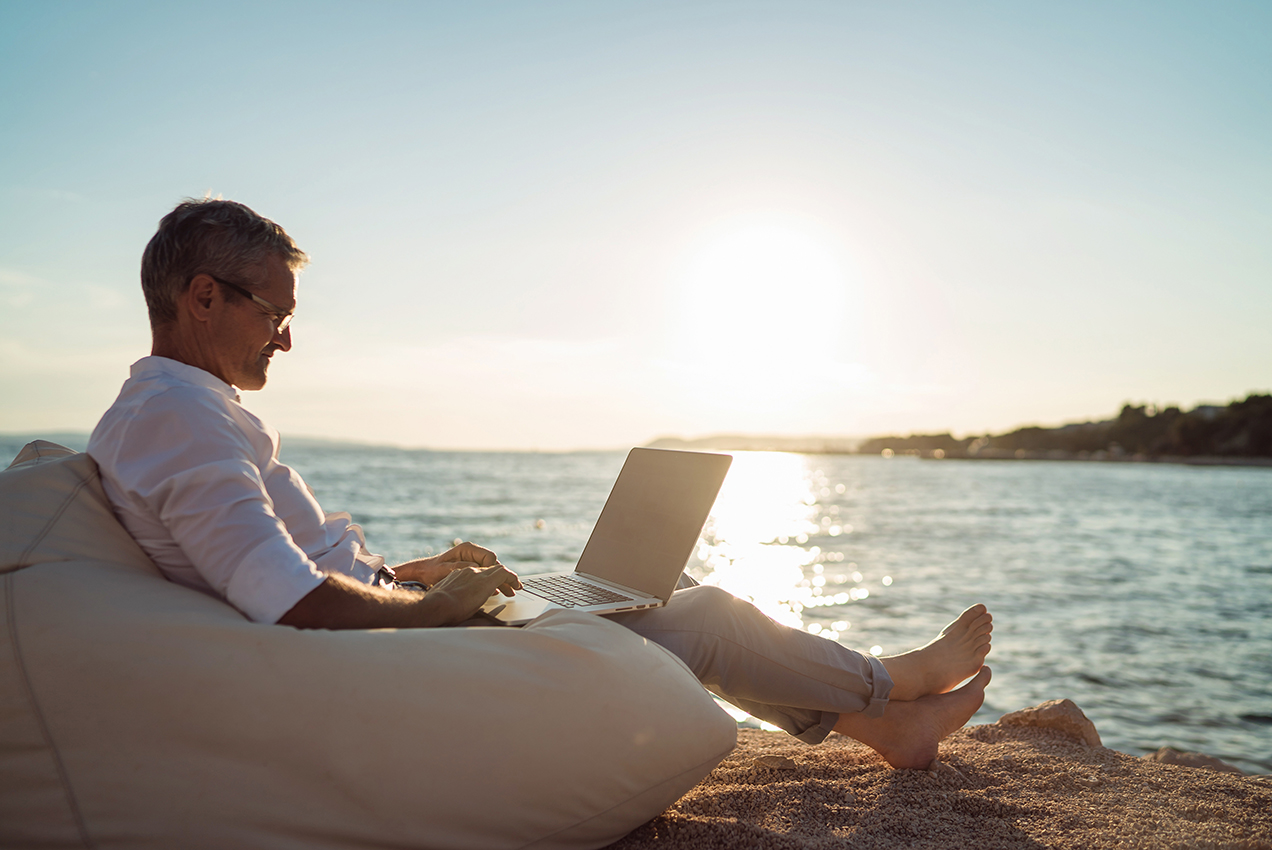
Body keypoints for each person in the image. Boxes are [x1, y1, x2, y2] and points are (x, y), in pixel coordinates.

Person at [89, 198, 993, 770]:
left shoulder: (178, 411)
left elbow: (281, 568)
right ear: (203, 297)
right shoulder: (180, 418)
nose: (284, 338)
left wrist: (419, 573)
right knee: (704, 617)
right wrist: (437, 610)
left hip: (392, 627)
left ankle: (884, 728)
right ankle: (893, 685)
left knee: (654, 594)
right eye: (274, 313)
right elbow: (287, 601)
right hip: (395, 662)